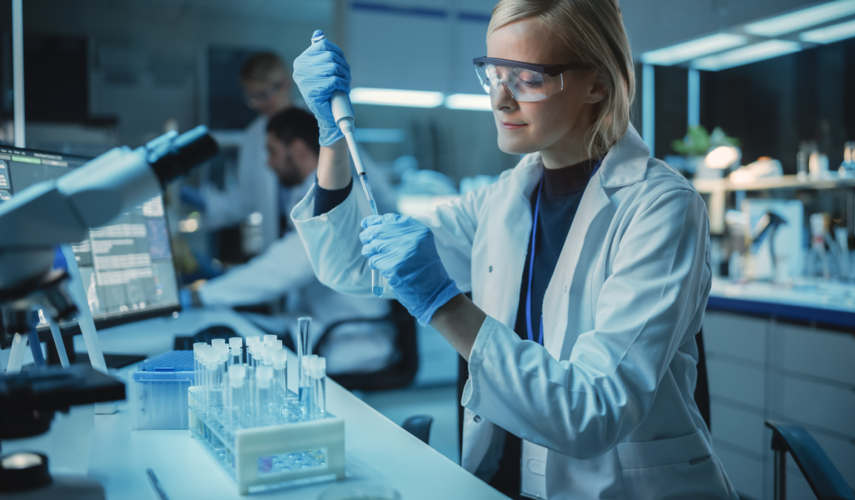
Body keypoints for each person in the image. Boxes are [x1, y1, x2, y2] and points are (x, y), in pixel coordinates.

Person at [289, 0, 739, 498]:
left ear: (598, 83)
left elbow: (594, 411)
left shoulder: (662, 208)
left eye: (526, 78)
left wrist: (443, 304)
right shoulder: (502, 200)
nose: (500, 100)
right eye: (493, 73)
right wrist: (331, 139)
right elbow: (355, 265)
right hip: (500, 481)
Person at [187, 107, 396, 375]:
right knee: (232, 336)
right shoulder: (315, 194)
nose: (268, 163)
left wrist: (199, 295)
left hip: (349, 340)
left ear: (298, 150)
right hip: (321, 325)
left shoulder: (333, 201)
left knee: (233, 356)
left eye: (272, 151)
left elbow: (283, 270)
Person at [181, 52, 294, 253]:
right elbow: (245, 198)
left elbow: (363, 179)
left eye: (263, 95)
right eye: (251, 97)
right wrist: (205, 202)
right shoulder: (253, 137)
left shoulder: (320, 126)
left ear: (285, 84)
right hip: (277, 249)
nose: (258, 104)